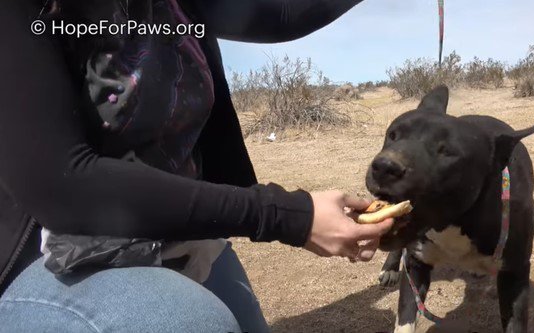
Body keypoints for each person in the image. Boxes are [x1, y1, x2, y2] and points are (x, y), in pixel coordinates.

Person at [0, 0, 394, 332]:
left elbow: (280, 13)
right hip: (49, 256)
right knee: (194, 322)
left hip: (170, 228)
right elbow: (64, 184)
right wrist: (287, 216)